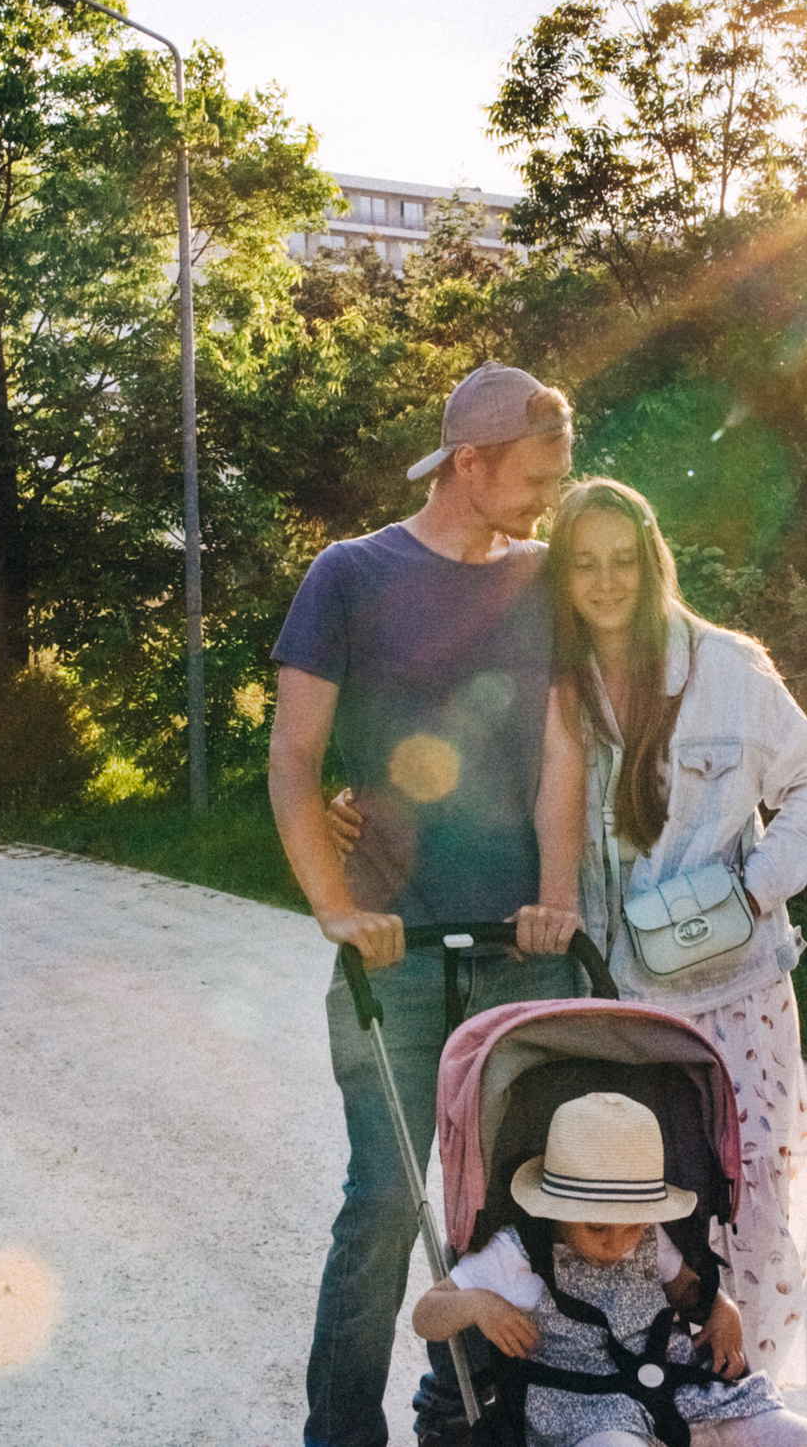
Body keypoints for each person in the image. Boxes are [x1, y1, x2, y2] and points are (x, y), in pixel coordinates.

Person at [271, 362, 595, 1447]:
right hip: (393, 954)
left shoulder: (544, 576)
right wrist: (334, 906)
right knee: (385, 1204)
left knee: (518, 1206)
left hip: (524, 949)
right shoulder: (349, 575)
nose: (550, 494)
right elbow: (294, 755)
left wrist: (556, 898)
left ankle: (478, 1418)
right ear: (470, 461)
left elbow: (560, 751)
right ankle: (340, 1435)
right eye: (535, 476)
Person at [547, 478, 807, 1390]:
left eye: (622, 561)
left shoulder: (726, 668)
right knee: (642, 1200)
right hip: (619, 995)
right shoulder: (561, 685)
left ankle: (748, 1388)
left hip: (736, 989)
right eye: (584, 563)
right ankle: (650, 1389)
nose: (605, 581)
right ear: (563, 573)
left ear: (651, 559)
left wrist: (753, 891)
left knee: (748, 1196)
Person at [414, 1091, 807, 1447]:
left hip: (679, 1392)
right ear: (555, 1209)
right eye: (597, 1228)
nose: (618, 1244)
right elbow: (426, 1314)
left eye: (633, 1226)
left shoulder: (649, 1236)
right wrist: (478, 1305)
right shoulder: (519, 1250)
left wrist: (722, 1309)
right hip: (586, 1412)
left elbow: (688, 1291)